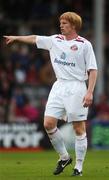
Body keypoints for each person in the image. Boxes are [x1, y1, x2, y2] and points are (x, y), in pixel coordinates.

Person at [3, 12, 98, 176]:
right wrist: (16, 37)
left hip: (77, 87)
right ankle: (64, 157)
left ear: (74, 26)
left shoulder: (84, 44)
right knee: (48, 124)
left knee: (78, 128)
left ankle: (79, 167)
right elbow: (34, 38)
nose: (61, 25)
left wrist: (89, 92)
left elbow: (93, 70)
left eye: (65, 23)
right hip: (59, 85)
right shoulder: (55, 40)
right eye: (61, 22)